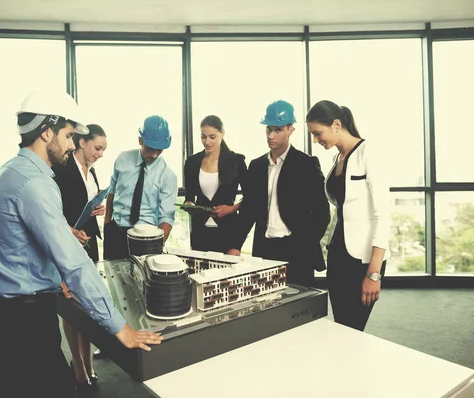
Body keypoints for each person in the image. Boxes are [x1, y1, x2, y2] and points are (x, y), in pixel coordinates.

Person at [0, 90, 162, 398]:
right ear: (46, 131)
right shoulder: (35, 183)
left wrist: (53, 277)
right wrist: (121, 328)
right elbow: (75, 264)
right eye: (67, 136)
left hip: (5, 316)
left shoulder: (9, 172)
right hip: (26, 323)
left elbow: (19, 246)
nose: (70, 145)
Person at [306, 100, 390, 331]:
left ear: (336, 124)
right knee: (342, 325)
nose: (315, 140)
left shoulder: (368, 152)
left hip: (362, 259)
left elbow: (383, 215)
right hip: (338, 253)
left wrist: (374, 274)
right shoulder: (337, 159)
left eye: (318, 133)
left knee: (354, 326)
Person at [227, 100, 330, 287]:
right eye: (269, 129)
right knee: (266, 307)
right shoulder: (256, 166)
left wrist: (305, 245)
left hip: (297, 250)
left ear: (291, 129)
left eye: (278, 130)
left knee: (298, 310)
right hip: (265, 251)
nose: (271, 135)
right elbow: (249, 210)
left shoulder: (306, 165)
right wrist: (235, 245)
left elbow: (322, 214)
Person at [52, 124, 107, 391]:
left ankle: (88, 360)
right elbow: (52, 210)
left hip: (88, 241)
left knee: (86, 303)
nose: (100, 154)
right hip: (68, 242)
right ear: (82, 142)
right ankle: (78, 362)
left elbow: (85, 201)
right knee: (71, 305)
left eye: (104, 150)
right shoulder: (62, 168)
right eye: (98, 148)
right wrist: (69, 232)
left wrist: (98, 208)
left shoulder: (92, 171)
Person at [103, 115, 177, 259]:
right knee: (112, 277)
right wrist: (107, 224)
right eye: (151, 148)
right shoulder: (122, 159)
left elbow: (166, 218)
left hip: (146, 238)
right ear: (140, 140)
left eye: (160, 150)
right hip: (115, 232)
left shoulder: (168, 176)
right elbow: (112, 192)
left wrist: (156, 248)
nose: (155, 155)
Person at [183, 115, 247, 253]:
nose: (207, 142)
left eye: (212, 137)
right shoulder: (191, 162)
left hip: (228, 232)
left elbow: (251, 198)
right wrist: (189, 204)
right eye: (203, 137)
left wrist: (231, 209)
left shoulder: (236, 161)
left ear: (222, 134)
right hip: (200, 233)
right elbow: (189, 197)